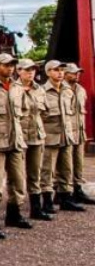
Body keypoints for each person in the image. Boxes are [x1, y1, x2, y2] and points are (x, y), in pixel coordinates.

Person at [0, 54, 32, 230]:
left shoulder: (17, 87)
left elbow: (25, 109)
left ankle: (14, 214)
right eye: (6, 65)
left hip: (16, 140)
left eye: (12, 65)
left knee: (18, 181)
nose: (10, 68)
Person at [41, 60, 83, 212]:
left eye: (61, 70)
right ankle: (47, 201)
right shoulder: (42, 92)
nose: (60, 73)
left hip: (66, 136)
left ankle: (66, 198)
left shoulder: (67, 91)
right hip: (50, 137)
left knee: (67, 169)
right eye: (55, 70)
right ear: (48, 72)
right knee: (48, 170)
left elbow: (71, 113)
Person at [17, 60, 51, 221]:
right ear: (18, 71)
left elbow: (45, 112)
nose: (30, 73)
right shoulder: (13, 89)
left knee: (35, 173)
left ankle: (36, 208)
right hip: (19, 137)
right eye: (26, 70)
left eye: (33, 70)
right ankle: (15, 210)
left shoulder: (40, 90)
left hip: (36, 136)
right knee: (16, 175)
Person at [64, 64, 93, 204]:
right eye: (73, 73)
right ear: (65, 74)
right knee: (65, 165)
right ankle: (64, 192)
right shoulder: (61, 89)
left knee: (79, 163)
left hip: (79, 132)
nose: (76, 75)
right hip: (67, 133)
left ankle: (78, 189)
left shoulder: (81, 90)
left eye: (78, 73)